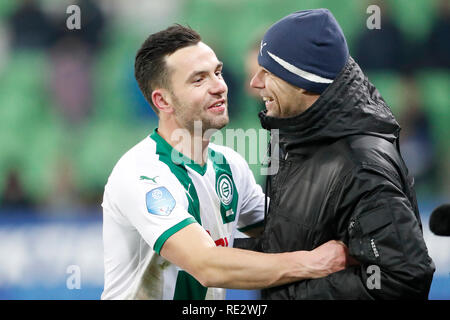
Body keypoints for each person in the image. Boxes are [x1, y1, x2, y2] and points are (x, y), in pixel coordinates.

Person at [101, 24, 351, 300]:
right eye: (199, 80)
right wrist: (313, 263)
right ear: (163, 101)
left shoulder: (231, 165)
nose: (219, 87)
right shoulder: (142, 174)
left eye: (217, 73)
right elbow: (206, 265)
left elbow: (286, 232)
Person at [249, 9, 435, 299]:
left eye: (268, 72)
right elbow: (294, 241)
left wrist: (289, 295)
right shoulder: (295, 138)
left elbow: (403, 278)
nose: (255, 83)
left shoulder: (361, 167)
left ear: (302, 81)